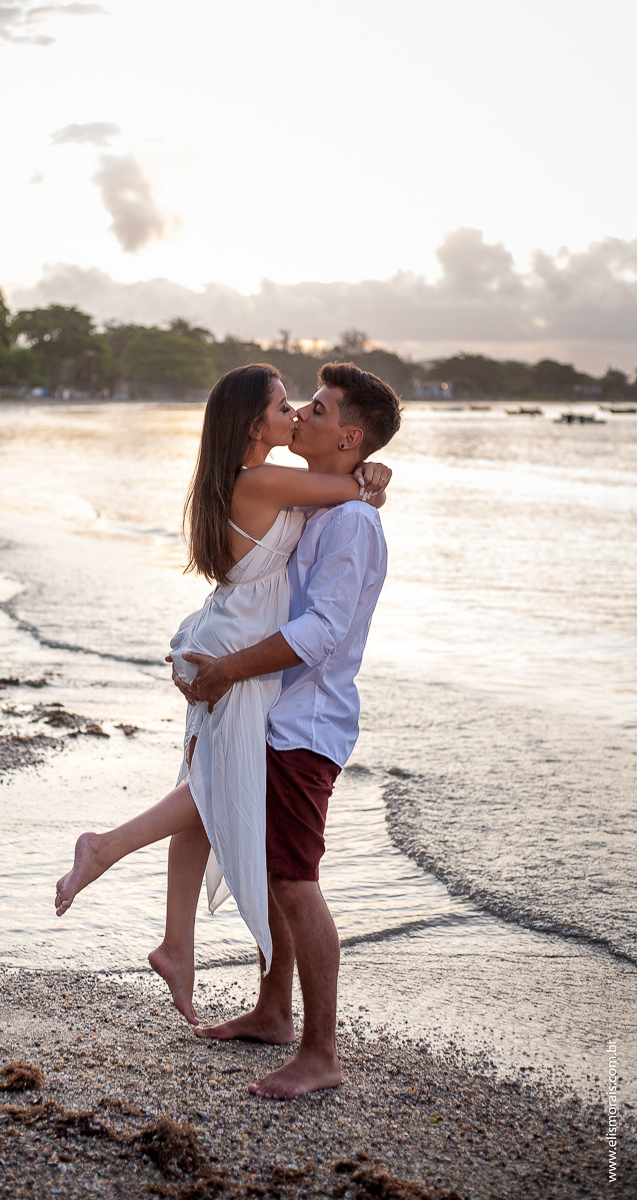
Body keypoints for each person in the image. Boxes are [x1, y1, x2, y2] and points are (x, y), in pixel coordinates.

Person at [54, 364, 391, 963]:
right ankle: (104, 849)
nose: (296, 416)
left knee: (204, 781)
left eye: (307, 407)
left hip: (231, 633)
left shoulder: (252, 481)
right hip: (237, 646)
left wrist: (364, 474)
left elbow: (339, 505)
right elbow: (349, 494)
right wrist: (371, 478)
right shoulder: (264, 482)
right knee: (213, 783)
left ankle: (176, 943)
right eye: (287, 407)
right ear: (255, 424)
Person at [170, 361, 401, 1099]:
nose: (303, 411)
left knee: (297, 883)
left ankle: (322, 1052)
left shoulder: (354, 522)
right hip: (275, 715)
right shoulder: (320, 508)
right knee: (271, 871)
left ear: (350, 435)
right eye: (299, 403)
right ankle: (273, 1011)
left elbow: (322, 631)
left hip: (308, 724)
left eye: (321, 409)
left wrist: (230, 669)